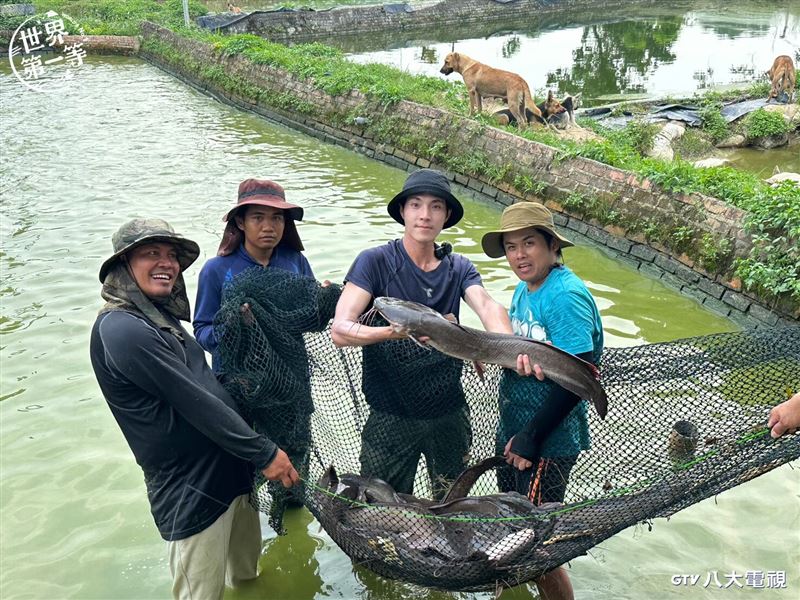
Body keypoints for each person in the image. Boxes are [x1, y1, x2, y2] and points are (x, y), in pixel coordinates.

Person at [89, 219, 299, 600]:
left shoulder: (160, 318)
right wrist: (265, 453)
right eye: (151, 253)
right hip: (193, 492)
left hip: (232, 475)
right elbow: (193, 403)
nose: (166, 263)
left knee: (248, 578)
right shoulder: (122, 329)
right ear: (123, 265)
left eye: (171, 256)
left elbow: (205, 382)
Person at [331, 169, 520, 498]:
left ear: (446, 215)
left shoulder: (459, 267)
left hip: (448, 413)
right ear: (403, 211)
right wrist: (393, 333)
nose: (424, 215)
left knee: (452, 503)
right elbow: (340, 330)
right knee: (379, 508)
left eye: (435, 207)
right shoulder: (374, 262)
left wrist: (509, 349)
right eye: (415, 205)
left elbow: (489, 307)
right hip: (390, 415)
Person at [481, 201, 604, 600]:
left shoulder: (564, 296)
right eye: (511, 247)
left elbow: (577, 379)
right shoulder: (524, 289)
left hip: (546, 440)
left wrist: (532, 436)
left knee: (536, 544)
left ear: (552, 246)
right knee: (513, 529)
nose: (519, 255)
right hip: (519, 430)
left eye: (529, 243)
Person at [194, 178, 314, 372]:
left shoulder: (296, 261)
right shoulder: (216, 269)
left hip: (292, 373)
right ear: (241, 222)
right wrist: (233, 328)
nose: (268, 227)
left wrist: (323, 301)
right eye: (258, 218)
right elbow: (202, 330)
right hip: (238, 380)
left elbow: (310, 316)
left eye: (277, 218)